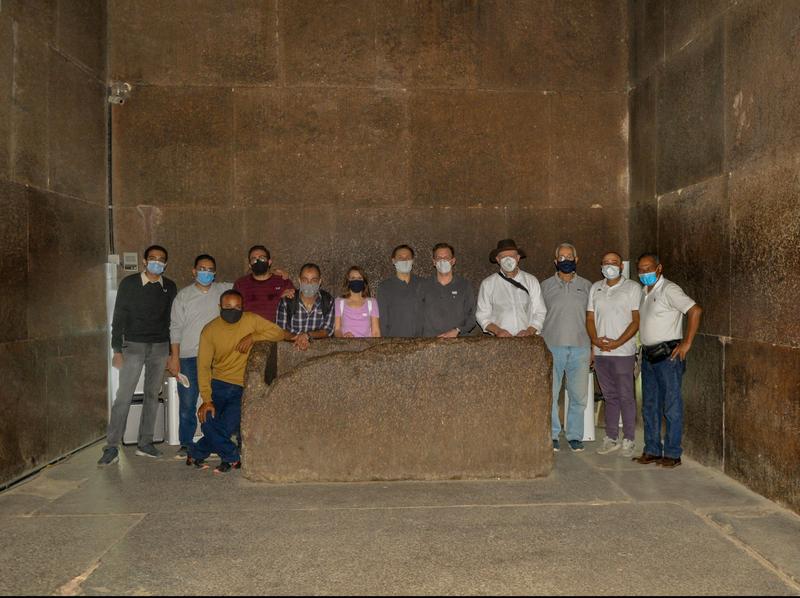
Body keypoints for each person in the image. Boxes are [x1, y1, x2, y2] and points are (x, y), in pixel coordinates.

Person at [187, 290, 306, 473]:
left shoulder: (250, 320)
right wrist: (207, 399)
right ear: (220, 307)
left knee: (227, 424)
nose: (232, 310)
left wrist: (253, 337)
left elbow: (278, 332)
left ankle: (196, 452)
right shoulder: (209, 331)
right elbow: (203, 367)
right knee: (207, 421)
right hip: (218, 384)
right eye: (227, 307)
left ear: (243, 307)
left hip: (242, 386)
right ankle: (232, 456)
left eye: (237, 307)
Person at [98, 245, 178, 466]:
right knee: (124, 397)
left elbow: (172, 322)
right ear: (144, 261)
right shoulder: (130, 284)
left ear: (166, 264)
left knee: (153, 396)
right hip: (133, 346)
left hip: (160, 347)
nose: (157, 262)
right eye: (152, 258)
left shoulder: (169, 287)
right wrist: (117, 350)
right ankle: (112, 447)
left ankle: (145, 443)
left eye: (161, 259)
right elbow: (118, 318)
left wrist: (172, 353)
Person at [634, 253, 702, 468]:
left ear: (659, 268)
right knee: (650, 405)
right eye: (641, 269)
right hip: (648, 356)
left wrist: (687, 343)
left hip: (668, 356)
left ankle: (673, 453)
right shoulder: (645, 292)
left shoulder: (669, 289)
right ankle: (652, 449)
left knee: (671, 406)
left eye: (649, 268)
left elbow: (695, 310)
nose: (645, 273)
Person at [167, 254, 233, 459]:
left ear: (215, 273)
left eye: (210, 269)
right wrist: (174, 357)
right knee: (188, 403)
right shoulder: (183, 296)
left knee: (214, 401)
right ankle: (186, 443)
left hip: (215, 359)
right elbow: (175, 328)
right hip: (187, 358)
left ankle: (212, 441)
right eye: (202, 269)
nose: (206, 273)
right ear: (194, 271)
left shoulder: (223, 291)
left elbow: (249, 283)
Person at [586, 252, 641, 458]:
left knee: (626, 396)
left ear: (621, 266)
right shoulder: (595, 288)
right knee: (610, 396)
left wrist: (618, 342)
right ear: (601, 265)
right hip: (601, 352)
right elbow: (590, 318)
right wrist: (595, 340)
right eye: (606, 262)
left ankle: (629, 439)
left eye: (614, 263)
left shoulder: (632, 288)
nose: (610, 266)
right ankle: (611, 437)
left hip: (623, 352)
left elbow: (636, 321)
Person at [541, 242, 593, 453]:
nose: (565, 260)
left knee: (578, 396)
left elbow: (593, 319)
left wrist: (594, 348)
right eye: (561, 257)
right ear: (555, 261)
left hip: (581, 347)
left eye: (569, 256)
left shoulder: (589, 286)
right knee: (550, 395)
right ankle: (553, 434)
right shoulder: (544, 286)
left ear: (576, 259)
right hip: (552, 347)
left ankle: (574, 436)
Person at [476, 239, 547, 340]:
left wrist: (529, 331)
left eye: (512, 256)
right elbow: (482, 315)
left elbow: (540, 311)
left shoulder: (531, 281)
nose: (508, 260)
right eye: (504, 257)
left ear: (518, 258)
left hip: (527, 341)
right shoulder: (488, 284)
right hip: (500, 341)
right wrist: (498, 331)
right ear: (497, 259)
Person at [419, 243, 476, 338]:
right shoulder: (423, 286)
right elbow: (416, 315)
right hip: (429, 343)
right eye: (439, 258)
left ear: (453, 261)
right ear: (434, 262)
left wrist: (458, 330)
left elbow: (472, 316)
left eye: (446, 257)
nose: (442, 261)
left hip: (458, 341)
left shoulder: (464, 285)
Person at [276, 263, 335, 343]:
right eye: (305, 280)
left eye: (314, 280)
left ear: (319, 281)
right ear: (299, 281)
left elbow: (329, 330)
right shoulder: (287, 301)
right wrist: (297, 338)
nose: (309, 284)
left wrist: (307, 335)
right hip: (291, 347)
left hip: (318, 348)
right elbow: (280, 330)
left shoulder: (327, 300)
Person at [233, 245, 294, 322]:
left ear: (269, 262)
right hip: (249, 331)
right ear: (249, 265)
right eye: (254, 259)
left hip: (276, 330)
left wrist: (283, 300)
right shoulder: (240, 284)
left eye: (262, 258)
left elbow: (295, 309)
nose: (258, 261)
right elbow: (234, 311)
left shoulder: (283, 281)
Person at [377, 244, 423, 337]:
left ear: (412, 261)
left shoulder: (423, 284)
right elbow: (382, 319)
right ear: (393, 261)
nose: (404, 260)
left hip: (422, 342)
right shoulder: (385, 287)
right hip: (395, 342)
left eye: (407, 257)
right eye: (400, 257)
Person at [334, 266, 380, 338]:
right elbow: (337, 330)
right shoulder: (339, 302)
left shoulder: (372, 303)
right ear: (348, 281)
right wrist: (343, 337)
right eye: (353, 278)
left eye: (359, 278)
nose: (356, 281)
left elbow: (376, 332)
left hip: (367, 347)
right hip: (346, 346)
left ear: (364, 282)